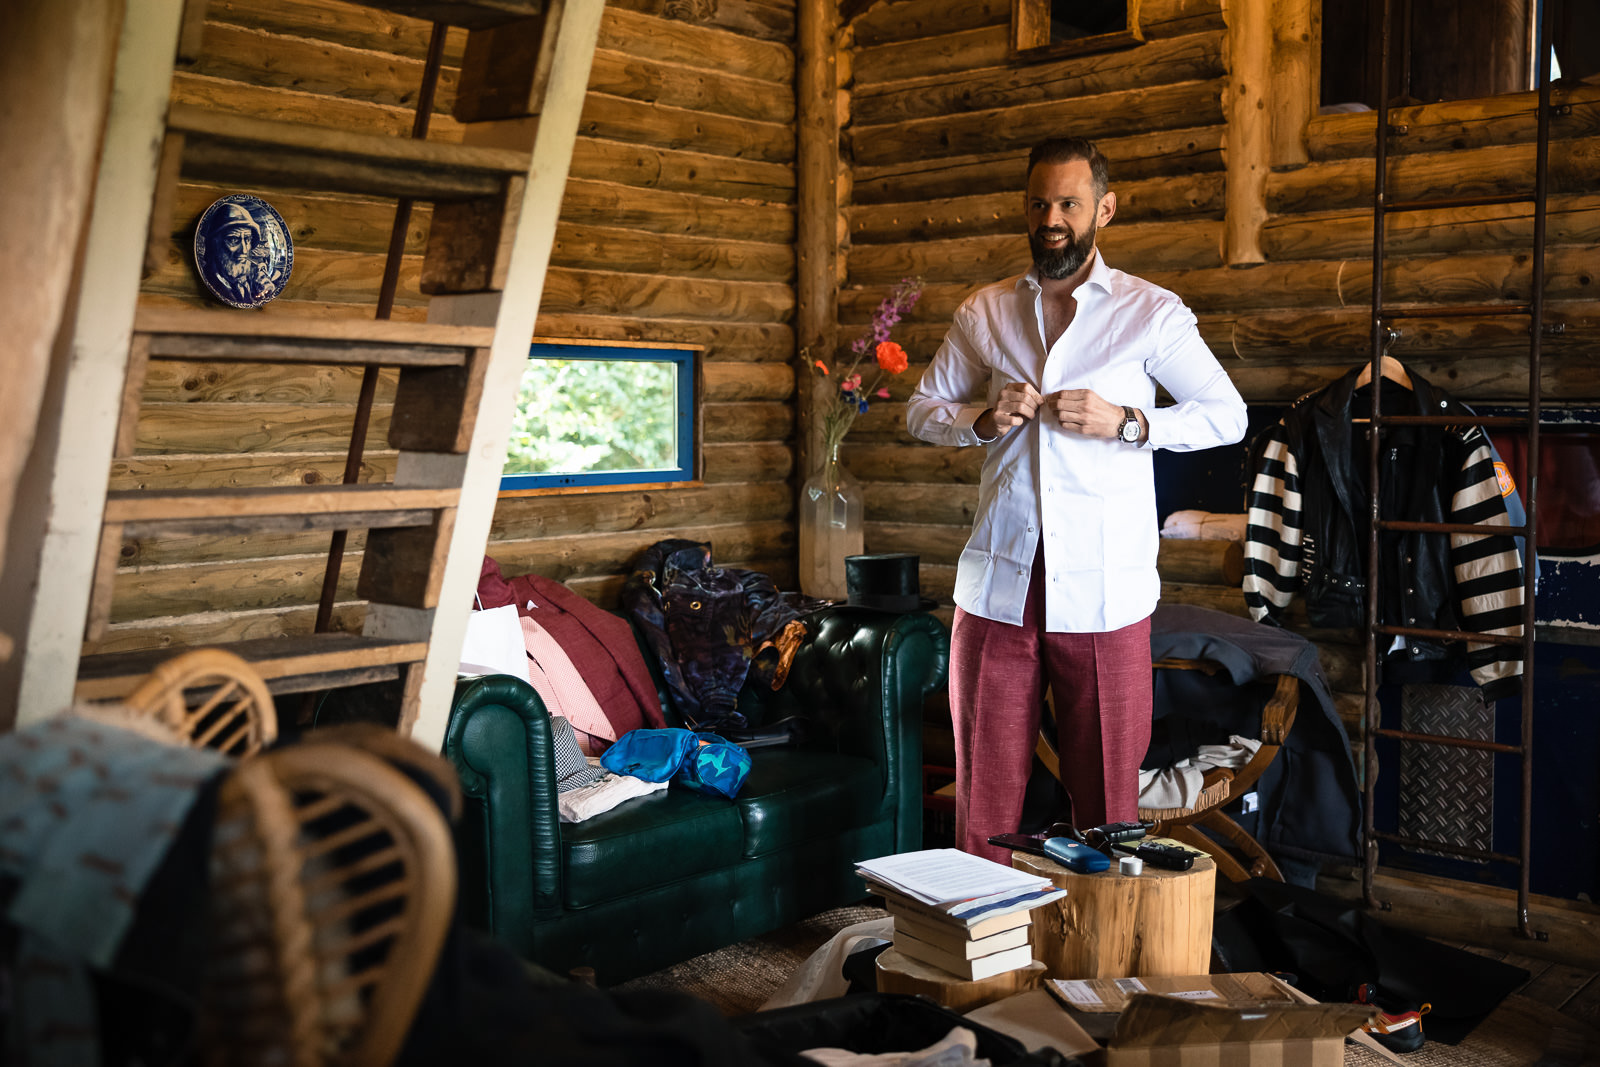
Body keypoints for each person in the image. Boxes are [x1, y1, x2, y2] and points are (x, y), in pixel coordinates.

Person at [905, 136, 1247, 863]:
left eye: (1068, 202)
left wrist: (1129, 422)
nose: (1051, 217)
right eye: (1039, 203)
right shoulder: (986, 312)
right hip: (998, 591)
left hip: (1103, 595)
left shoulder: (1150, 314)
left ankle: (1101, 971)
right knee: (982, 808)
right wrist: (981, 419)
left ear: (1105, 209)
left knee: (1107, 815)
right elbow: (921, 409)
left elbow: (1228, 415)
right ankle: (980, 966)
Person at [202, 201, 278, 305]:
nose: (244, 250)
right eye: (233, 240)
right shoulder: (209, 279)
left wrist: (264, 291)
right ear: (215, 243)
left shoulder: (253, 278)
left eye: (247, 239)